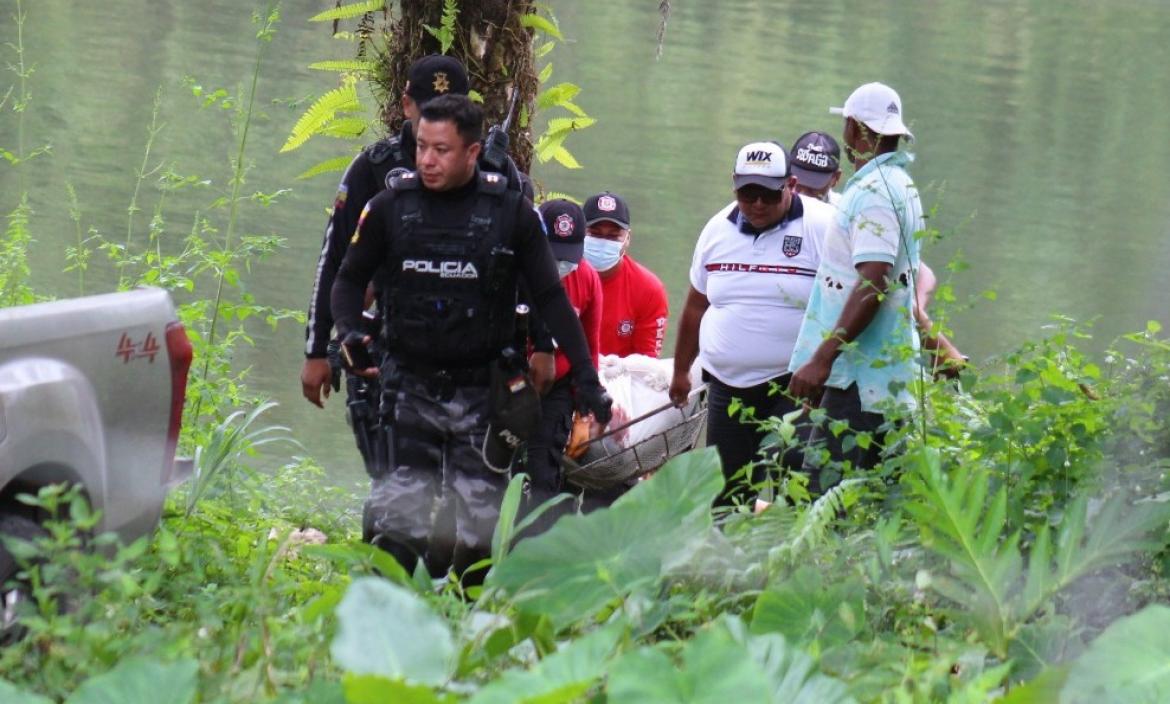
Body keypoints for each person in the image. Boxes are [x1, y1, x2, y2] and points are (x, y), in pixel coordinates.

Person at [330, 94, 612, 579]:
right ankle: (380, 628)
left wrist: (587, 379)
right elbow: (348, 280)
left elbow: (550, 298)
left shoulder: (512, 214)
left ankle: (467, 629)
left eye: (441, 150)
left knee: (479, 535)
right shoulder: (389, 208)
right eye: (421, 147)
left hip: (482, 393)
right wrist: (350, 330)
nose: (426, 160)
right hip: (407, 386)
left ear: (472, 152)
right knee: (400, 526)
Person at [669, 141, 833, 506]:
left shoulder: (822, 226)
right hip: (728, 385)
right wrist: (681, 371)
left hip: (794, 382)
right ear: (734, 186)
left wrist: (824, 364)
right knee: (725, 492)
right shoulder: (716, 230)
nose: (757, 204)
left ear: (790, 184)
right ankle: (722, 560)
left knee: (792, 475)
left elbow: (851, 297)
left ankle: (788, 557)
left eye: (769, 195)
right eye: (748, 194)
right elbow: (696, 305)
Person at [787, 82, 928, 488]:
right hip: (884, 378)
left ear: (854, 128)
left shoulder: (874, 193)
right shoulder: (901, 184)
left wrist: (823, 358)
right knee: (869, 506)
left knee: (825, 502)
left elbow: (874, 281)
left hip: (859, 381)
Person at [524, 199, 602, 512]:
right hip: (509, 378)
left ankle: (538, 551)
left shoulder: (586, 278)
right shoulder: (514, 268)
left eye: (567, 257)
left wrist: (585, 413)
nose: (560, 265)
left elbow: (590, 348)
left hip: (558, 386)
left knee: (544, 477)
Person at [582, 191, 669, 358]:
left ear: (628, 238)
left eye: (613, 236)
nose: (603, 242)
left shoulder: (649, 289)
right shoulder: (562, 276)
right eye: (595, 234)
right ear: (580, 232)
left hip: (620, 378)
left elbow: (647, 360)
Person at [790, 130, 843, 205]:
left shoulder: (844, 211)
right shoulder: (774, 205)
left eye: (812, 188)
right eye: (797, 184)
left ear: (836, 178)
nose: (803, 194)